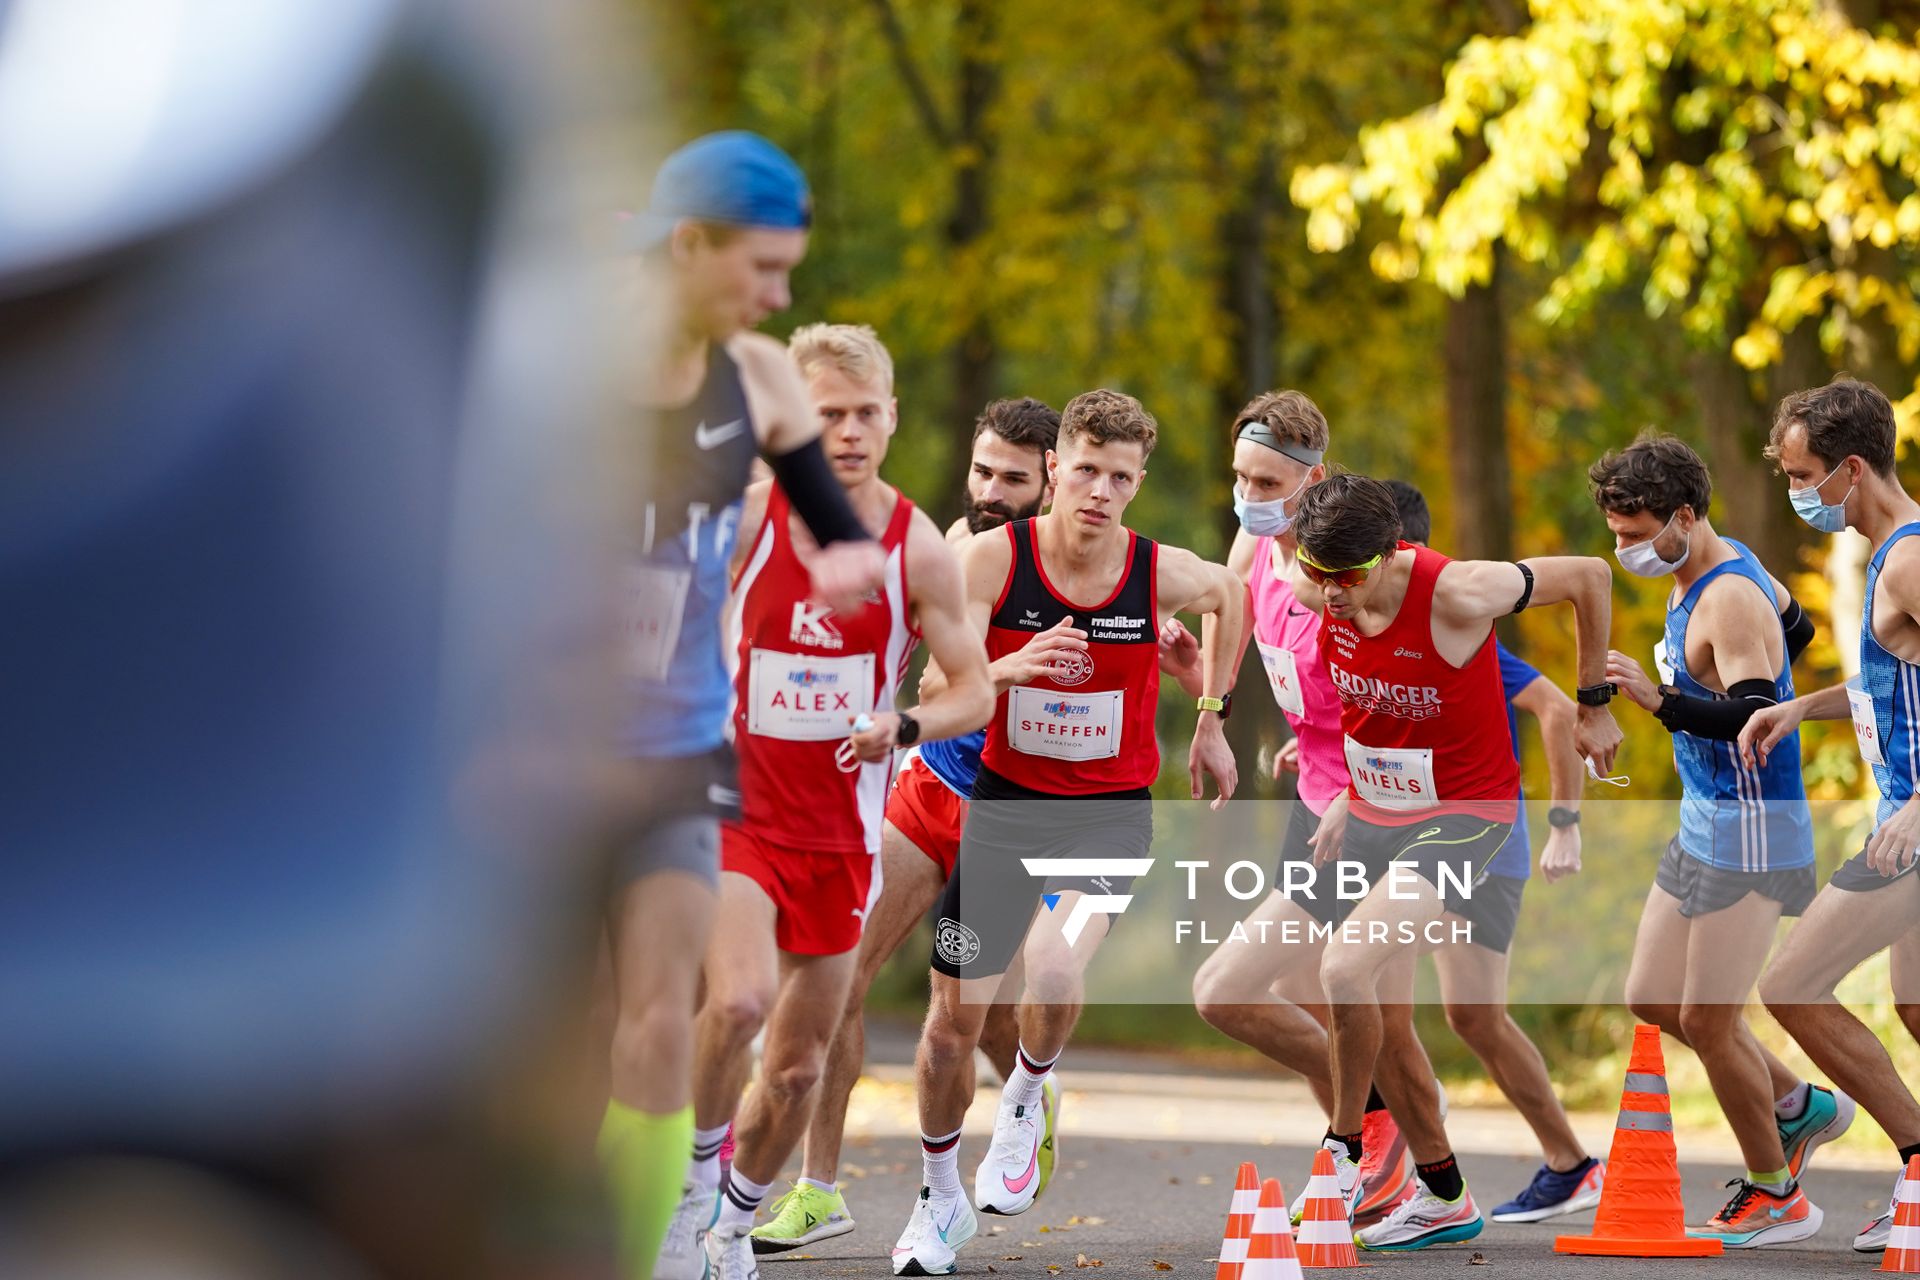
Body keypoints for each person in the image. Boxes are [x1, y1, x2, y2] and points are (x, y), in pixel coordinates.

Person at [654, 324, 994, 1280]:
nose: (847, 432)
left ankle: (732, 1222)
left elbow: (973, 688)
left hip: (842, 835)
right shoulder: (745, 517)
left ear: (892, 418)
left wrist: (907, 727)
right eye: (825, 415)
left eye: (864, 414)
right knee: (741, 999)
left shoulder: (915, 545)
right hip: (735, 812)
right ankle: (687, 1191)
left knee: (799, 1068)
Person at [606, 132, 886, 1280]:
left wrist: (847, 559)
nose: (779, 298)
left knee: (671, 1014)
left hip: (678, 741)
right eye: (764, 272)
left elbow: (835, 521)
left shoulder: (760, 375)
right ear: (688, 244)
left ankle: (653, 1236)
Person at [891, 389, 1244, 1277]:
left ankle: (1028, 1093)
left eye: (1119, 477)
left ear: (1138, 482)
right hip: (1006, 807)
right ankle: (938, 1197)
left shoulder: (1154, 569)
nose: (1099, 491)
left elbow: (1231, 591)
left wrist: (1210, 713)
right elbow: (941, 693)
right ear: (1055, 466)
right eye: (1084, 469)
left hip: (1111, 816)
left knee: (1053, 965)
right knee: (948, 1026)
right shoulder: (989, 559)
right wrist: (1008, 667)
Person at [751, 398, 1065, 1254]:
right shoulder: (956, 550)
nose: (991, 491)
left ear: (1053, 483)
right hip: (932, 787)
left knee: (982, 1023)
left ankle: (1027, 1100)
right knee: (837, 975)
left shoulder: (1079, 562)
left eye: (1013, 478)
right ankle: (819, 1190)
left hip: (1016, 813)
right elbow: (934, 694)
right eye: (983, 469)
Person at [1285, 473, 1621, 1252]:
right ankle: (1442, 1195)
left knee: (1342, 969)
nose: (1332, 595)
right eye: (1317, 572)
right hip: (1376, 812)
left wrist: (1594, 700)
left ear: (1389, 552)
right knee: (1393, 1028)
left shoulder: (1459, 593)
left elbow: (1591, 576)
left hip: (1467, 819)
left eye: (1349, 577)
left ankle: (1340, 1151)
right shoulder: (1311, 586)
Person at [1593, 430, 1847, 1247]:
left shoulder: (1727, 594)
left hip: (1754, 833)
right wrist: (1756, 664)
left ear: (1684, 516)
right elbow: (1798, 629)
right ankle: (1798, 1104)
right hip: (1703, 821)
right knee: (1651, 996)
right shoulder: (1706, 563)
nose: (1623, 549)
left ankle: (1778, 1192)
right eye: (1615, 533)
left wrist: (1658, 699)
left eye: (1635, 535)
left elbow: (1752, 716)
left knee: (1707, 1017)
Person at [1380, 481, 1606, 1224]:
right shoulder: (1378, 631)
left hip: (1476, 837)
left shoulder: (1455, 627)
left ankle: (1396, 1162)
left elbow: (1556, 706)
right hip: (1439, 835)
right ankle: (1570, 1164)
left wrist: (1565, 821)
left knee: (1365, 975)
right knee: (1473, 1016)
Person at [1740, 377, 1920, 1255]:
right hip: (1904, 818)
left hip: (1916, 830)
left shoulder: (1912, 557)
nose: (1795, 494)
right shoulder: (1893, 555)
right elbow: (1895, 682)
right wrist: (1799, 708)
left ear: (1853, 468)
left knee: (1791, 984)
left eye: (1803, 475)